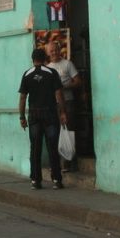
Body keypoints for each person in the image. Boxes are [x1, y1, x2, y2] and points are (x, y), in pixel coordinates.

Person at [18, 47, 67, 190]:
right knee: (52, 147)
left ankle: (35, 180)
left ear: (32, 59)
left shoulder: (27, 74)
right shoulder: (52, 73)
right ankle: (57, 180)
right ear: (45, 59)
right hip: (50, 114)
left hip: (33, 115)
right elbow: (58, 94)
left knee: (35, 148)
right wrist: (62, 112)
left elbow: (22, 97)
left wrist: (22, 117)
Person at [45, 40, 82, 171]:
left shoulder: (67, 64)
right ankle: (58, 163)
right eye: (51, 51)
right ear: (47, 53)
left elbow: (78, 81)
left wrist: (65, 86)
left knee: (68, 130)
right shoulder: (48, 68)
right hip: (53, 104)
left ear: (59, 50)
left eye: (55, 50)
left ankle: (69, 162)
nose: (54, 52)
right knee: (55, 132)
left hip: (68, 102)